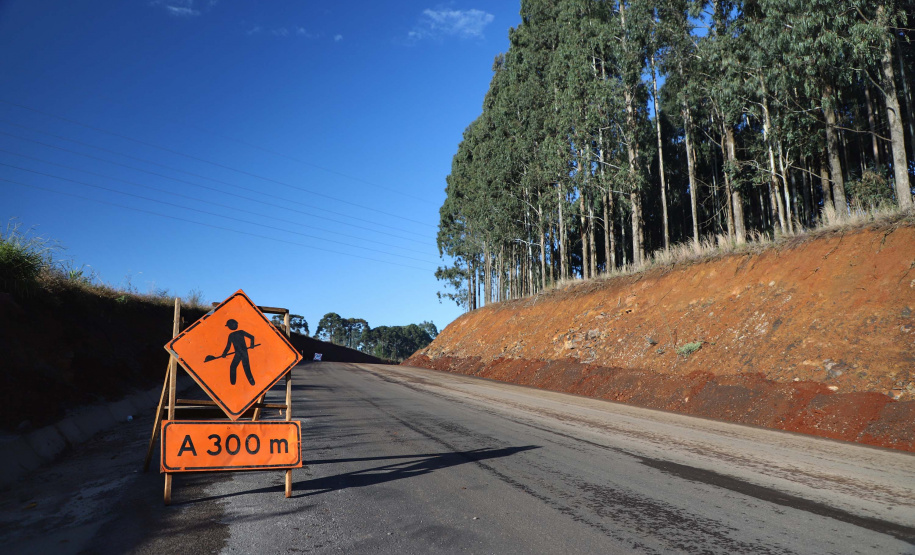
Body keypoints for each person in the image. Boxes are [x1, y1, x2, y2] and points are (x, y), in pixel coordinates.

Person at [221, 319, 255, 385]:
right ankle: (233, 383)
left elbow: (252, 337)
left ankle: (252, 382)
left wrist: (252, 345)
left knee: (246, 367)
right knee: (233, 366)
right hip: (238, 353)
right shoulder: (231, 335)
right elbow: (228, 346)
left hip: (243, 352)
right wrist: (224, 353)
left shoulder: (241, 332)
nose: (229, 327)